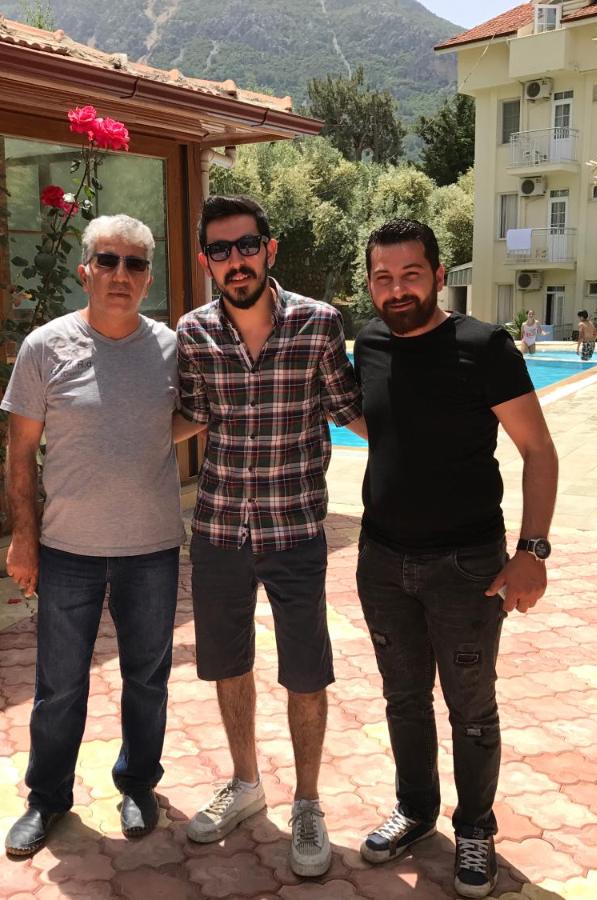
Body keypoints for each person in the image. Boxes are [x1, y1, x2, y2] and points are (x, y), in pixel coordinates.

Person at [353, 220, 558, 898]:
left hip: (466, 566)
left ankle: (474, 828)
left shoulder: (483, 346)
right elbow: (380, 423)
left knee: (471, 705)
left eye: (411, 274)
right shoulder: (370, 343)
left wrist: (531, 550)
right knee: (403, 698)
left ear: (439, 276)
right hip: (383, 560)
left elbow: (538, 450)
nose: (397, 289)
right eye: (383, 277)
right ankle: (415, 810)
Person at [174, 195, 366, 878]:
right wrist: (103, 436)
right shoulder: (194, 332)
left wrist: (436, 447)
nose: (236, 261)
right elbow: (191, 415)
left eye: (247, 246)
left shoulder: (318, 324)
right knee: (228, 663)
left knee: (306, 669)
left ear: (270, 249)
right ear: (207, 261)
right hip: (220, 527)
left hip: (295, 527)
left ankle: (307, 802)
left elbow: (350, 410)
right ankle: (245, 782)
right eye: (220, 251)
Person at [3, 215, 187, 856]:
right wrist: (23, 537)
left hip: (151, 547)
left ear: (148, 278)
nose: (120, 274)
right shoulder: (45, 347)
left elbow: (188, 415)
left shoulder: (171, 348)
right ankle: (47, 798)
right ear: (85, 271)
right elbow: (19, 452)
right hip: (67, 549)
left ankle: (138, 785)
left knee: (148, 678)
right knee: (59, 686)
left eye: (135, 264)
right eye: (107, 260)